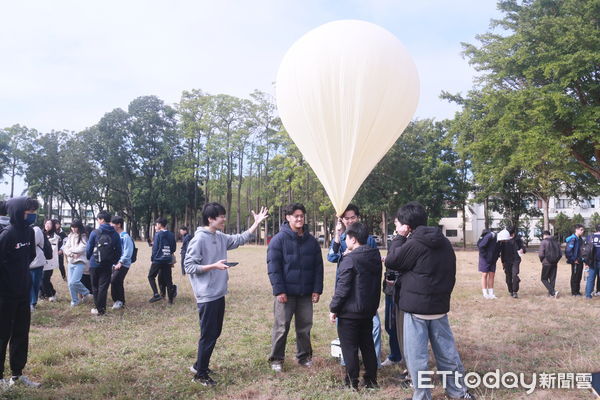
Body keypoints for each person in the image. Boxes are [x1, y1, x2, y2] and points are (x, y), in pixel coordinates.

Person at [385, 202, 474, 400]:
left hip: (416, 309)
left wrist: (399, 237)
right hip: (439, 306)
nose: (397, 227)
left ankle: (422, 395)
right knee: (447, 353)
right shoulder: (442, 241)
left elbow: (392, 260)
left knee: (417, 357)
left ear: (407, 225)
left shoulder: (414, 243)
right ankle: (458, 392)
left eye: (398, 223)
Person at [184, 202, 269, 386]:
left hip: (219, 293)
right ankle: (200, 375)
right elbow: (189, 266)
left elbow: (239, 239)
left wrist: (256, 223)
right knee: (208, 335)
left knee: (215, 332)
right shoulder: (199, 239)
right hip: (206, 296)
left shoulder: (219, 236)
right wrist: (213, 266)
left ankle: (199, 365)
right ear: (210, 219)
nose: (224, 219)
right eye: (221, 216)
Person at [267, 203, 324, 372]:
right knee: (281, 327)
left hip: (306, 293)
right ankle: (276, 359)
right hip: (286, 294)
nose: (299, 219)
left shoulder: (311, 241)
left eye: (302, 216)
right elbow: (273, 267)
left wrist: (316, 289)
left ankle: (304, 356)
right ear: (288, 217)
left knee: (305, 327)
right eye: (296, 216)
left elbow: (318, 267)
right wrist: (279, 290)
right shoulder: (278, 240)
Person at [327, 204, 382, 367]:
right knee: (345, 329)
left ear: (357, 218)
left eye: (353, 217)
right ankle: (348, 361)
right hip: (345, 286)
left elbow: (373, 260)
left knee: (374, 326)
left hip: (363, 290)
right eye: (346, 218)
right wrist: (337, 236)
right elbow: (331, 257)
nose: (350, 220)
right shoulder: (342, 237)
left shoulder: (367, 238)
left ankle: (374, 361)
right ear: (342, 220)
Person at [0, 196, 41, 388]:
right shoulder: (7, 235)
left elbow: (31, 255)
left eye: (34, 212)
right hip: (4, 295)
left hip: (23, 293)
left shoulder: (30, 232)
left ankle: (17, 375)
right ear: (17, 212)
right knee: (2, 335)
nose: (32, 216)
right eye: (29, 212)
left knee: (21, 334)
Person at [85, 211, 122, 316]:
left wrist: (89, 258)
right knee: (103, 287)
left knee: (95, 286)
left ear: (101, 220)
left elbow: (89, 248)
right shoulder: (115, 233)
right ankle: (101, 310)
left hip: (94, 263)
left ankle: (98, 309)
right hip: (107, 264)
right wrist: (113, 261)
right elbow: (119, 250)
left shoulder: (95, 232)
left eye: (98, 219)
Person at [62, 219, 93, 307]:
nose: (73, 229)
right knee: (70, 284)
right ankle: (74, 301)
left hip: (80, 262)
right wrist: (72, 253)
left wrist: (72, 251)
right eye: (72, 227)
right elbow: (65, 248)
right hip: (71, 261)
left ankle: (86, 293)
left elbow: (83, 247)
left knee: (74, 281)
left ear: (79, 227)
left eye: (75, 227)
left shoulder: (83, 236)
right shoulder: (70, 236)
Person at [148, 218, 177, 304]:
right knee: (168, 280)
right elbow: (173, 248)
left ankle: (156, 294)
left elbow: (155, 248)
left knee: (151, 276)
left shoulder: (158, 234)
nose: (155, 226)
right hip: (167, 259)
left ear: (160, 225)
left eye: (156, 225)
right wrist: (167, 253)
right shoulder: (171, 234)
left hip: (158, 259)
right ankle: (170, 301)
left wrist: (153, 258)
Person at [110, 216, 134, 309]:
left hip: (123, 264)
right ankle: (119, 301)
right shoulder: (115, 236)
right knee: (117, 281)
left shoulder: (125, 236)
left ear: (119, 225)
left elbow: (128, 251)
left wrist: (121, 262)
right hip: (115, 263)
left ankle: (119, 300)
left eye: (113, 224)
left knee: (115, 280)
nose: (111, 225)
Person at [497, 227, 525, 299]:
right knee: (508, 277)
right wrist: (502, 262)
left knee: (514, 275)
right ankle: (511, 291)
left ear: (513, 234)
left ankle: (515, 291)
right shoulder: (503, 240)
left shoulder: (518, 239)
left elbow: (523, 248)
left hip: (516, 260)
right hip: (506, 261)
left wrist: (522, 249)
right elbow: (501, 252)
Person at [29, 221, 46, 311]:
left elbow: (31, 243)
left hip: (36, 262)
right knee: (29, 284)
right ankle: (30, 302)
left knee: (34, 283)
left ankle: (32, 303)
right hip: (27, 263)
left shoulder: (36, 230)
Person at [538, 231, 561, 298]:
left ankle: (553, 292)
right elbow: (560, 254)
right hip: (554, 263)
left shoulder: (544, 242)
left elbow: (541, 254)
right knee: (552, 279)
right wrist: (556, 260)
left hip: (546, 263)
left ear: (544, 235)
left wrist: (542, 260)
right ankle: (551, 294)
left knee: (544, 279)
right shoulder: (556, 242)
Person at [477, 229, 499, 299]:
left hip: (493, 259)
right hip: (485, 258)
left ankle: (491, 293)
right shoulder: (490, 236)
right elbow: (481, 246)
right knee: (485, 274)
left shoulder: (500, 240)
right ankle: (485, 293)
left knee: (492, 275)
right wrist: (484, 255)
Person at [40, 220, 59, 302]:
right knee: (41, 278)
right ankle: (47, 294)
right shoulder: (39, 234)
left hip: (50, 260)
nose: (47, 225)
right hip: (40, 259)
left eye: (49, 224)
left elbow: (54, 248)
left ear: (53, 226)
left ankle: (50, 295)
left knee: (45, 278)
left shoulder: (55, 236)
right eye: (46, 223)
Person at [565, 224, 585, 296]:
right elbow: (568, 251)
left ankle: (577, 291)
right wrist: (573, 259)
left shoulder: (580, 239)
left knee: (579, 276)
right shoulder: (573, 239)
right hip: (575, 261)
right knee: (575, 276)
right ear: (576, 230)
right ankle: (574, 292)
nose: (582, 231)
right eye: (581, 230)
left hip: (580, 260)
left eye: (583, 230)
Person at [584, 224, 600, 299]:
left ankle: (588, 295)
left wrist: (586, 261)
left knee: (590, 279)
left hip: (592, 261)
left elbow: (586, 250)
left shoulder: (589, 237)